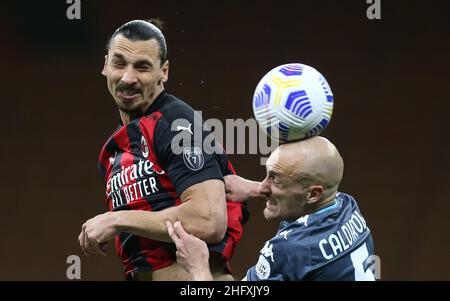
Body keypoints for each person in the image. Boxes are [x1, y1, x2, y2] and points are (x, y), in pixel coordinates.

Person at [78, 19, 248, 281]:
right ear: (105, 65)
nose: (128, 78)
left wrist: (116, 220)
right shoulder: (114, 150)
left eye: (142, 67)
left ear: (164, 72)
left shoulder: (178, 125)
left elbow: (209, 220)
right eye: (119, 63)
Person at [167, 136, 376, 280]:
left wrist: (198, 267)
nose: (264, 186)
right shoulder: (347, 206)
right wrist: (255, 189)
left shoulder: (288, 251)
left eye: (276, 180)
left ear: (313, 194)